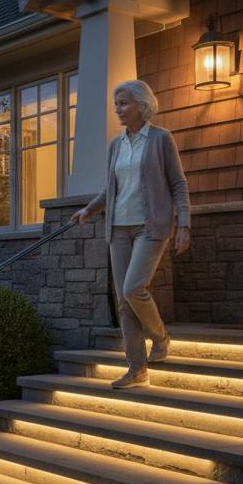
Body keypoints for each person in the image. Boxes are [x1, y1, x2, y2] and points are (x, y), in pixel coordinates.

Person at [71, 79, 190, 388]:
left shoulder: (161, 139)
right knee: (124, 302)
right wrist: (89, 210)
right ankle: (137, 369)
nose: (117, 109)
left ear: (141, 105)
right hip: (118, 228)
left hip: (151, 227)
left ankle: (160, 337)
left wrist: (184, 224)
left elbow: (178, 184)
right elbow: (111, 190)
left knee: (133, 288)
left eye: (123, 103)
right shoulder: (116, 145)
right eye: (116, 104)